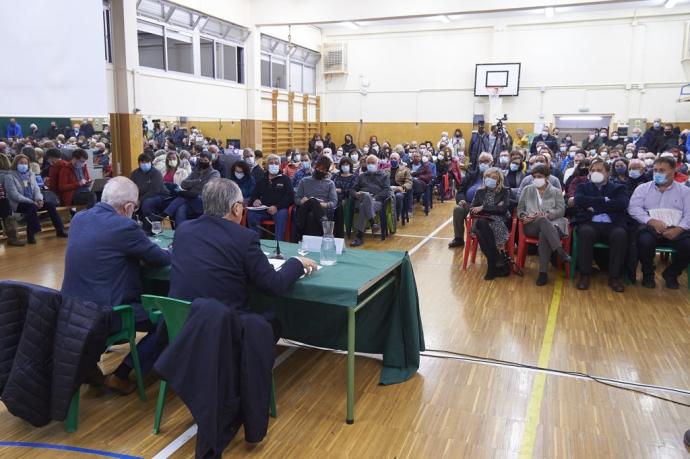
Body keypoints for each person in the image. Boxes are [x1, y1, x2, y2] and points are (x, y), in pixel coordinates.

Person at [61, 176, 171, 394]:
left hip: (70, 310)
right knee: (167, 320)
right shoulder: (124, 226)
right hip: (106, 314)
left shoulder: (80, 218)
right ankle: (121, 375)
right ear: (129, 206)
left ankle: (88, 367)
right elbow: (160, 259)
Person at [168, 178, 317, 313]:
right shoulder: (244, 237)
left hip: (181, 322)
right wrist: (296, 262)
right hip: (224, 327)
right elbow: (273, 285)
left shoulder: (183, 230)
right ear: (236, 208)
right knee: (272, 320)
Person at [628, 157, 690, 289]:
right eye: (655, 170)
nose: (657, 173)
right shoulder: (643, 189)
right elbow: (633, 208)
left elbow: (689, 214)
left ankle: (671, 274)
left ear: (673, 171)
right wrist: (651, 221)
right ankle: (648, 275)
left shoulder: (685, 191)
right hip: (650, 228)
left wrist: (679, 229)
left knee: (688, 245)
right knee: (644, 241)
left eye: (662, 170)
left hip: (676, 230)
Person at [572, 159, 629, 292]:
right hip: (589, 222)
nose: (595, 173)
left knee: (621, 234)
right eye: (593, 170)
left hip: (612, 224)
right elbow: (579, 200)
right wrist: (604, 201)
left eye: (599, 170)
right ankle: (585, 274)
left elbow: (621, 204)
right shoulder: (583, 187)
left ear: (608, 173)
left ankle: (614, 277)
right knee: (585, 232)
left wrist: (594, 206)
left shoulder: (619, 187)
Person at [517, 165, 571, 286]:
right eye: (534, 177)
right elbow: (520, 209)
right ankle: (560, 251)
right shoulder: (527, 189)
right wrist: (524, 216)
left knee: (544, 233)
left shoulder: (556, 191)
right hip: (531, 225)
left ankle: (543, 273)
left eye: (539, 176)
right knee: (541, 220)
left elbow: (561, 211)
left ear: (547, 177)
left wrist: (548, 214)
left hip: (553, 225)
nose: (536, 179)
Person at [468, 167, 512, 280]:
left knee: (481, 228)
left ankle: (492, 263)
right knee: (482, 224)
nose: (490, 179)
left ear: (498, 180)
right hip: (482, 220)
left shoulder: (504, 191)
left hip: (499, 220)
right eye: (488, 177)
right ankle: (495, 259)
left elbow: (503, 210)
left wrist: (483, 207)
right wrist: (495, 207)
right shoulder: (480, 191)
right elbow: (472, 209)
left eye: (494, 178)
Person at [449, 152, 494, 248]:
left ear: (491, 163)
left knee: (479, 217)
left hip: (484, 206)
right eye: (481, 162)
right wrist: (461, 199)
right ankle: (458, 238)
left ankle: (478, 238)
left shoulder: (496, 176)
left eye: (486, 161)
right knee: (458, 209)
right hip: (468, 204)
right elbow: (460, 191)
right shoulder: (471, 175)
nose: (483, 164)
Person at [248, 154, 294, 241]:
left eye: (276, 163)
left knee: (282, 214)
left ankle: (278, 244)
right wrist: (255, 200)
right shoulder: (262, 180)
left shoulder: (285, 179)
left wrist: (277, 207)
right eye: (271, 163)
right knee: (251, 214)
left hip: (279, 209)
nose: (274, 165)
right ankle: (255, 242)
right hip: (264, 209)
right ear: (267, 165)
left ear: (280, 165)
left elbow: (290, 197)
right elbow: (254, 195)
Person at [350, 155, 392, 247]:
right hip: (361, 199)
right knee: (365, 196)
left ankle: (359, 236)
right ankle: (373, 223)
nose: (370, 165)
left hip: (376, 201)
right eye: (368, 163)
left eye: (373, 163)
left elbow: (386, 191)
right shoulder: (361, 176)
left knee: (364, 205)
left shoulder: (384, 176)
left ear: (377, 164)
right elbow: (352, 189)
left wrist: (374, 198)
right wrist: (356, 194)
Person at [294, 156, 337, 239]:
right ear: (315, 167)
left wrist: (323, 205)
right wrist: (301, 201)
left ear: (326, 171)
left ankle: (302, 235)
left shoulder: (330, 183)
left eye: (323, 169)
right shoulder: (304, 180)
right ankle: (326, 228)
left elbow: (334, 202)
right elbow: (296, 199)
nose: (320, 171)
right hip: (305, 209)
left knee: (312, 212)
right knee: (312, 201)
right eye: (318, 168)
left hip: (322, 209)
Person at [131, 153, 169, 232]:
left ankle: (149, 228)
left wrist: (140, 200)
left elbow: (155, 190)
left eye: (147, 162)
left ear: (151, 163)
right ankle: (133, 228)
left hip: (159, 195)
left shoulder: (156, 173)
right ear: (139, 163)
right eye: (143, 162)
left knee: (147, 203)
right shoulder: (135, 173)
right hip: (141, 197)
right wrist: (134, 199)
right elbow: (132, 187)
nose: (145, 164)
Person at [388, 151, 413, 220]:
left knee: (398, 197)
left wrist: (401, 187)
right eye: (391, 159)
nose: (393, 160)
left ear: (399, 160)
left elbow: (409, 183)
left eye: (395, 158)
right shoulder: (385, 170)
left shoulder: (405, 170)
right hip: (387, 190)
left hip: (399, 190)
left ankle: (396, 217)